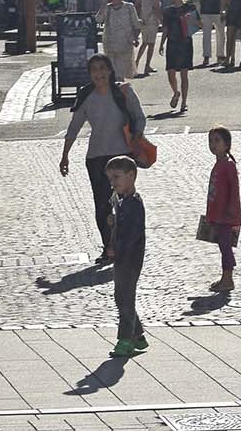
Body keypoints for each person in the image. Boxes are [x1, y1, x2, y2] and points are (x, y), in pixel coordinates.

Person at [59, 54, 147, 265]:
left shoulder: (124, 91)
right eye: (94, 70)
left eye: (102, 68)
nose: (99, 73)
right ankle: (109, 248)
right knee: (102, 206)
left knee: (125, 203)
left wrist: (136, 137)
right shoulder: (86, 95)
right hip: (97, 158)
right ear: (90, 75)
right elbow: (74, 126)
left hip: (122, 156)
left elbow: (139, 117)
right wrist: (65, 155)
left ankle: (125, 244)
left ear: (109, 70)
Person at [106, 155, 148, 357]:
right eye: (110, 179)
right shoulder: (123, 202)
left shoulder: (134, 204)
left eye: (116, 177)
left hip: (130, 258)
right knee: (122, 296)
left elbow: (132, 234)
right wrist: (113, 222)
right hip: (123, 258)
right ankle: (138, 336)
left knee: (126, 298)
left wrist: (117, 248)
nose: (113, 183)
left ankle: (125, 340)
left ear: (131, 176)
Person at [203, 126, 241, 293]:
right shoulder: (219, 163)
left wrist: (232, 212)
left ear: (227, 144)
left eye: (217, 140)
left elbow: (234, 190)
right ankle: (225, 277)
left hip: (225, 214)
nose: (213, 144)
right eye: (210, 141)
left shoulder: (228, 165)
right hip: (217, 212)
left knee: (225, 246)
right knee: (222, 245)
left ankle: (228, 278)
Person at [161, 0, 196, 114]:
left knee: (184, 73)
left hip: (185, 42)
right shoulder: (168, 11)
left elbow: (200, 24)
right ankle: (176, 92)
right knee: (170, 72)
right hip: (172, 42)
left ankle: (184, 103)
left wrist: (190, 20)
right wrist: (162, 43)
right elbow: (165, 29)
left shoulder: (190, 8)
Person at [99, 0, 142, 81]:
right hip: (110, 44)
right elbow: (99, 19)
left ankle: (120, 93)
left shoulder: (129, 7)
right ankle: (115, 93)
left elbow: (136, 24)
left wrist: (136, 37)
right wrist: (103, 6)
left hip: (125, 45)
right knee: (111, 73)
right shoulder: (108, 8)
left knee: (120, 74)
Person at [195, 0, 225, 66]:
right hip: (217, 10)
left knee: (206, 34)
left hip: (205, 10)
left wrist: (200, 10)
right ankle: (220, 55)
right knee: (220, 34)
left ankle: (206, 56)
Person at [134, 0, 163, 77]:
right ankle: (146, 65)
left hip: (144, 20)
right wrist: (162, 19)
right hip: (152, 21)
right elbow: (156, 8)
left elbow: (137, 5)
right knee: (150, 44)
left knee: (145, 43)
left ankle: (137, 63)